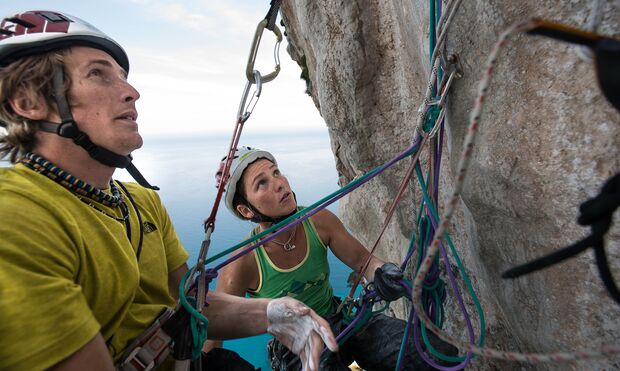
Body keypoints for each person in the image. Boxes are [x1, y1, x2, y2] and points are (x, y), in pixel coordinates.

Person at [0, 10, 337, 371]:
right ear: (28, 101)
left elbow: (192, 307)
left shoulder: (141, 203)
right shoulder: (17, 215)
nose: (132, 92)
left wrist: (274, 312)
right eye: (98, 74)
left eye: (124, 77)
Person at [208, 147, 459, 370]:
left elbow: (363, 261)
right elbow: (213, 329)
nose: (280, 183)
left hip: (340, 320)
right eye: (261, 183)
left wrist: (383, 271)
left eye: (276, 172)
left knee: (436, 354)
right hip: (295, 343)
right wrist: (208, 362)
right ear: (246, 210)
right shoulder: (243, 262)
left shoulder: (318, 221)